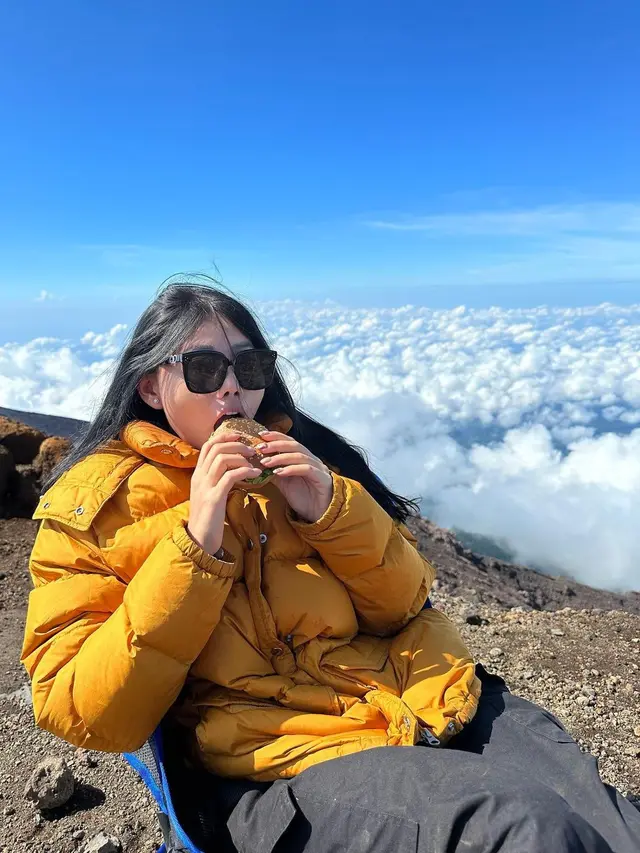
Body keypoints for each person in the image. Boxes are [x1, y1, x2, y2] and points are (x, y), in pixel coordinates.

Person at [21, 281, 640, 853]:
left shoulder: (303, 467)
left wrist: (333, 511)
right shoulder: (93, 512)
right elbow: (86, 713)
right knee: (527, 828)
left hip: (415, 697)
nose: (233, 388)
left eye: (251, 367)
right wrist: (196, 541)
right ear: (152, 387)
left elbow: (401, 608)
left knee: (610, 821)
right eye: (205, 369)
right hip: (273, 766)